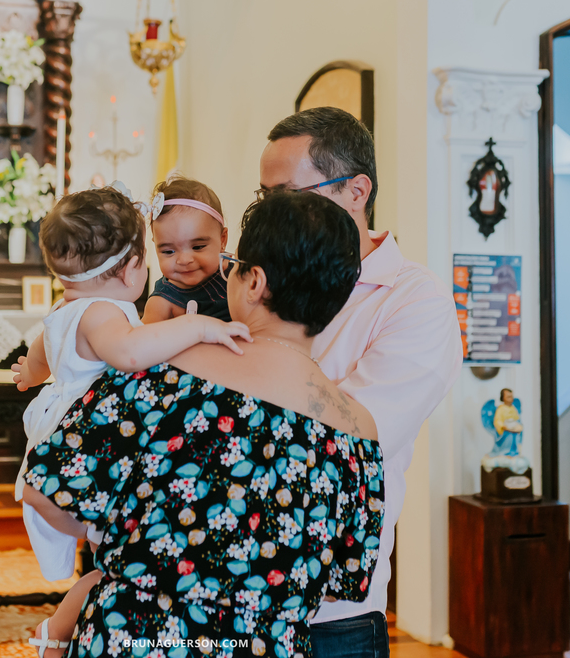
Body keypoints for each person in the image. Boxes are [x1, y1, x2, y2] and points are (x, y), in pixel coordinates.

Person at [23, 192, 384, 658]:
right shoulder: (359, 433)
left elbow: (45, 490)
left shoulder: (165, 368)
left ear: (254, 282)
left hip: (138, 636)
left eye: (233, 263)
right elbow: (341, 583)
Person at [259, 107, 462, 657]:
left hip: (333, 611)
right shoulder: (254, 281)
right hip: (227, 591)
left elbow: (358, 436)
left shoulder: (413, 300)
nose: (272, 213)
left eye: (287, 194)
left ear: (356, 190)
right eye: (263, 197)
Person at [11, 185, 251, 583]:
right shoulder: (103, 312)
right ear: (131, 268)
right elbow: (130, 354)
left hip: (57, 416)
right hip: (88, 428)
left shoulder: (67, 306)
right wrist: (196, 325)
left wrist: (31, 374)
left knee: (100, 540)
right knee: (115, 535)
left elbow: (41, 352)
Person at [143, 176, 231, 323]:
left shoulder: (239, 276)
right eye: (169, 251)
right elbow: (142, 342)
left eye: (197, 247)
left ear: (222, 240)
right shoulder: (162, 303)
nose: (184, 260)